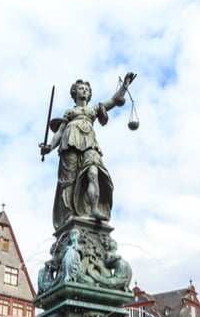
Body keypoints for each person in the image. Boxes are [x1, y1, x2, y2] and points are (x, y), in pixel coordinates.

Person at [40, 73, 137, 229]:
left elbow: (113, 101)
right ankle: (69, 214)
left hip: (90, 143)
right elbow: (59, 132)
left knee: (93, 172)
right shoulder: (70, 113)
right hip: (70, 142)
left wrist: (124, 87)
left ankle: (94, 209)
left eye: (86, 89)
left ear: (89, 94)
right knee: (69, 181)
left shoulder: (94, 110)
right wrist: (50, 147)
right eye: (81, 89)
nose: (84, 91)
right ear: (75, 93)